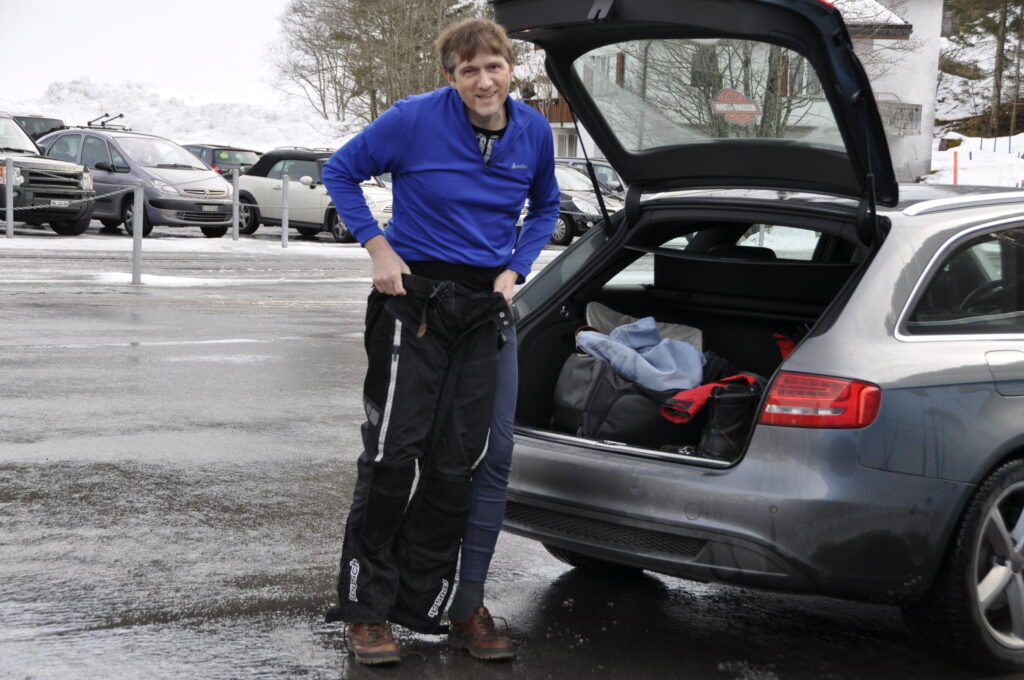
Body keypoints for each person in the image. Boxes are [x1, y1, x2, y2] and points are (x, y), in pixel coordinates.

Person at [320, 17, 559, 666]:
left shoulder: (534, 132)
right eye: (469, 71)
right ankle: (366, 608)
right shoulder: (413, 119)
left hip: (482, 309)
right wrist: (377, 249)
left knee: (455, 464)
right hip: (413, 303)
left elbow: (545, 208)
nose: (484, 81)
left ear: (512, 69)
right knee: (395, 456)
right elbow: (340, 170)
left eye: (494, 68)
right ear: (450, 78)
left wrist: (515, 271)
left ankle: (423, 602)